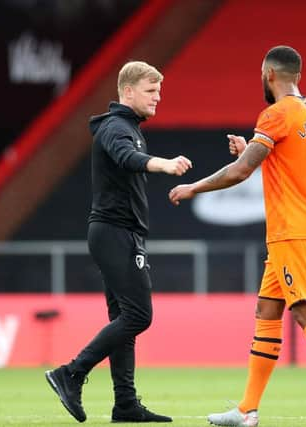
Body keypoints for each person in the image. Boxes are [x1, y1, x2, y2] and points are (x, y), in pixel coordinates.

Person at [169, 45, 306, 427]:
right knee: (267, 311)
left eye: (261, 74)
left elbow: (240, 172)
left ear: (270, 74)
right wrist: (252, 150)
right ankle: (247, 410)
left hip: (292, 229)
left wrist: (193, 187)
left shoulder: (276, 114)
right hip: (302, 225)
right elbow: (285, 163)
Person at [45, 61, 192, 423]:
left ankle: (125, 404)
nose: (158, 98)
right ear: (127, 91)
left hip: (119, 233)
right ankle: (72, 373)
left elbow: (128, 161)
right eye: (150, 91)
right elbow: (128, 159)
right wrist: (164, 164)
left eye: (159, 91)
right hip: (114, 233)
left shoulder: (127, 127)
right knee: (140, 316)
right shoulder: (115, 127)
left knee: (125, 318)